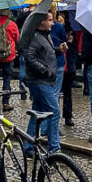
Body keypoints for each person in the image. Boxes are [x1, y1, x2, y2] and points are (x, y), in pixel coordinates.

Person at [23, 9, 60, 154]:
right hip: (39, 81)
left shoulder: (46, 36)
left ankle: (28, 146)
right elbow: (30, 58)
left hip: (45, 80)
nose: (53, 23)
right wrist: (45, 70)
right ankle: (54, 149)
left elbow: (45, 53)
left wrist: (58, 49)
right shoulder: (34, 37)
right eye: (50, 20)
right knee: (54, 112)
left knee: (36, 113)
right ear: (41, 22)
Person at [0, 7, 19, 102]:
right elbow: (17, 38)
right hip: (8, 56)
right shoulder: (12, 24)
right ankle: (6, 102)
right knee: (7, 78)